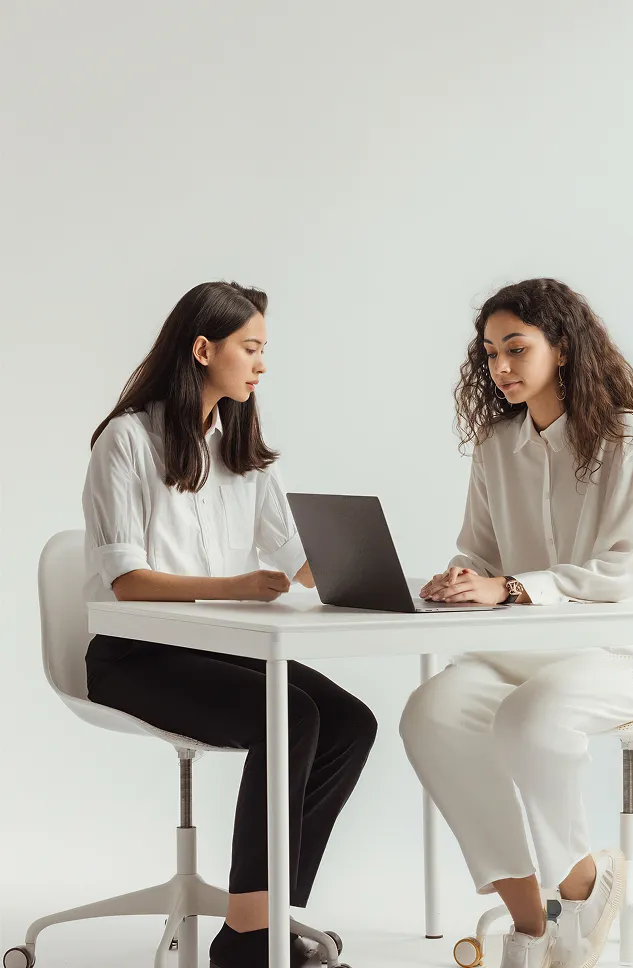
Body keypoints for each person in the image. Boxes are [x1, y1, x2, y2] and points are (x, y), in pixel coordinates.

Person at [82, 281, 377, 968]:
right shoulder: (126, 441)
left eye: (263, 349)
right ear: (202, 348)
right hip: (136, 656)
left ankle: (267, 916)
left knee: (351, 722)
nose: (261, 364)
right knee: (291, 716)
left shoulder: (239, 449)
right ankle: (249, 942)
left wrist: (386, 576)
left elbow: (300, 564)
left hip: (222, 648)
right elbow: (127, 582)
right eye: (251, 347)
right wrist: (235, 586)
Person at [399, 278, 633, 968]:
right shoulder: (498, 444)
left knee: (530, 718)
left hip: (630, 645)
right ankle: (534, 924)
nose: (500, 367)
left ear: (562, 349)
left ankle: (584, 886)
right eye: (491, 352)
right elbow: (481, 549)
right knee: (431, 712)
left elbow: (622, 570)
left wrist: (509, 587)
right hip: (531, 646)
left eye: (517, 349)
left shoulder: (624, 438)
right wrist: (464, 578)